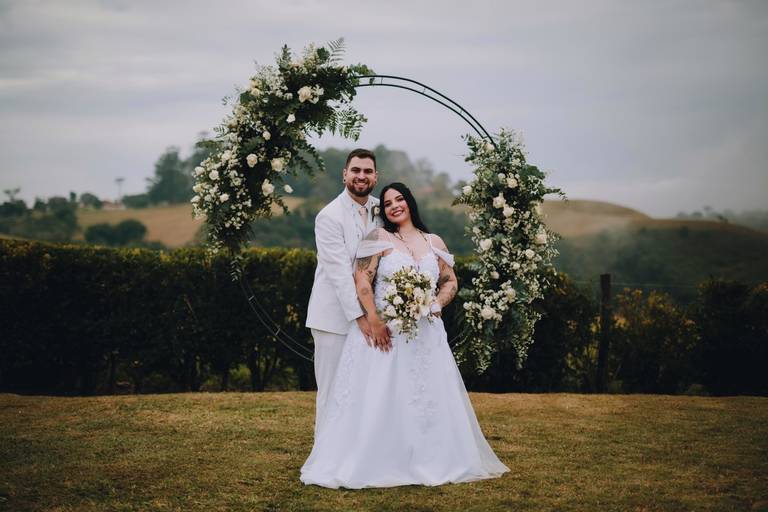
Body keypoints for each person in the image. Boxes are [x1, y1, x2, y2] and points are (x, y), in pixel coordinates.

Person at [300, 182, 510, 489]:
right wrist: (373, 318)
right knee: (381, 396)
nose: (394, 206)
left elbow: (450, 281)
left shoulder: (434, 241)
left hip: (426, 335)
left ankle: (429, 457)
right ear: (383, 211)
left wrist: (436, 303)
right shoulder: (379, 238)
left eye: (399, 199)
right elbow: (362, 280)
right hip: (386, 332)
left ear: (409, 202)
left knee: (425, 397)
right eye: (387, 203)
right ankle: (380, 458)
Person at [305, 148, 387, 438]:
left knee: (365, 390)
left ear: (376, 176)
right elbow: (339, 275)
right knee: (332, 390)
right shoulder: (328, 216)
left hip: (374, 315)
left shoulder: (383, 210)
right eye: (356, 170)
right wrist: (362, 318)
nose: (361, 176)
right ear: (344, 174)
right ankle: (324, 452)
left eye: (367, 171)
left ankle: (356, 448)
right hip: (334, 318)